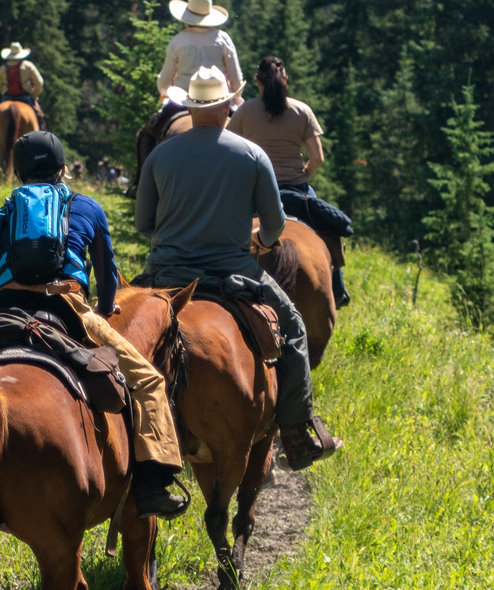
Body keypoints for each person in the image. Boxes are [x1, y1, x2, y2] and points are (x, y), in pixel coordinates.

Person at [135, 66, 343, 471]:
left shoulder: (160, 155)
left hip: (166, 273)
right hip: (233, 271)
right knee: (295, 327)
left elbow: (145, 225)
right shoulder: (251, 155)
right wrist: (261, 243)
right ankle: (298, 433)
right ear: (229, 103)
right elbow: (276, 225)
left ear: (190, 107)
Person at [0, 130, 187, 520]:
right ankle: (151, 485)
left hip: (5, 305)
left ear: (19, 171)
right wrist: (106, 307)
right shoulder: (88, 207)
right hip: (68, 305)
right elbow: (108, 274)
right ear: (62, 168)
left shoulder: (8, 209)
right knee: (148, 380)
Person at [228, 56, 351, 308]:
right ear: (285, 80)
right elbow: (317, 158)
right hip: (296, 189)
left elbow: (226, 149)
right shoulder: (301, 110)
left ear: (257, 82)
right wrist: (302, 177)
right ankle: (337, 289)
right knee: (327, 231)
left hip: (254, 192)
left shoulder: (245, 111)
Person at [0, 42, 45, 128]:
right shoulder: (28, 66)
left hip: (7, 98)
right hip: (25, 98)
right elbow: (39, 82)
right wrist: (34, 95)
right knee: (39, 118)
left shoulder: (3, 67)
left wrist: (4, 92)